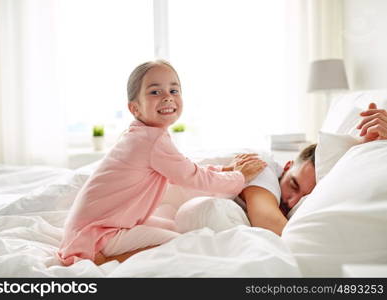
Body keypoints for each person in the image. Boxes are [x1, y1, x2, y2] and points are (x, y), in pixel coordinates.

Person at [57, 60, 267, 266]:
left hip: (91, 228)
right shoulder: (151, 140)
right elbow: (192, 178)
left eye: (174, 91)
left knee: (173, 226)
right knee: (181, 243)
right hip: (99, 234)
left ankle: (106, 254)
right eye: (155, 92)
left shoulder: (141, 135)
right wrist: (239, 177)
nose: (167, 97)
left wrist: (225, 169)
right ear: (135, 108)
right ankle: (103, 261)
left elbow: (184, 168)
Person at [241, 102, 387, 236]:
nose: (292, 203)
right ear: (287, 167)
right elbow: (272, 226)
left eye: (304, 198)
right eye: (293, 185)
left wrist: (371, 150)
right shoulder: (261, 167)